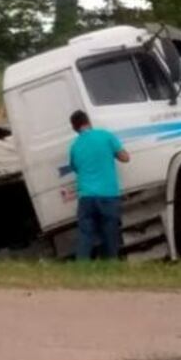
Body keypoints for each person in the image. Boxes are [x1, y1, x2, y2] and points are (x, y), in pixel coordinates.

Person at [68, 110, 130, 260]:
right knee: (110, 236)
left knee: (85, 236)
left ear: (74, 128)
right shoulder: (105, 136)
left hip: (86, 198)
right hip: (108, 195)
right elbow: (125, 157)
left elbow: (75, 168)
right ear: (88, 121)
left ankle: (81, 270)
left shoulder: (74, 146)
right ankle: (110, 269)